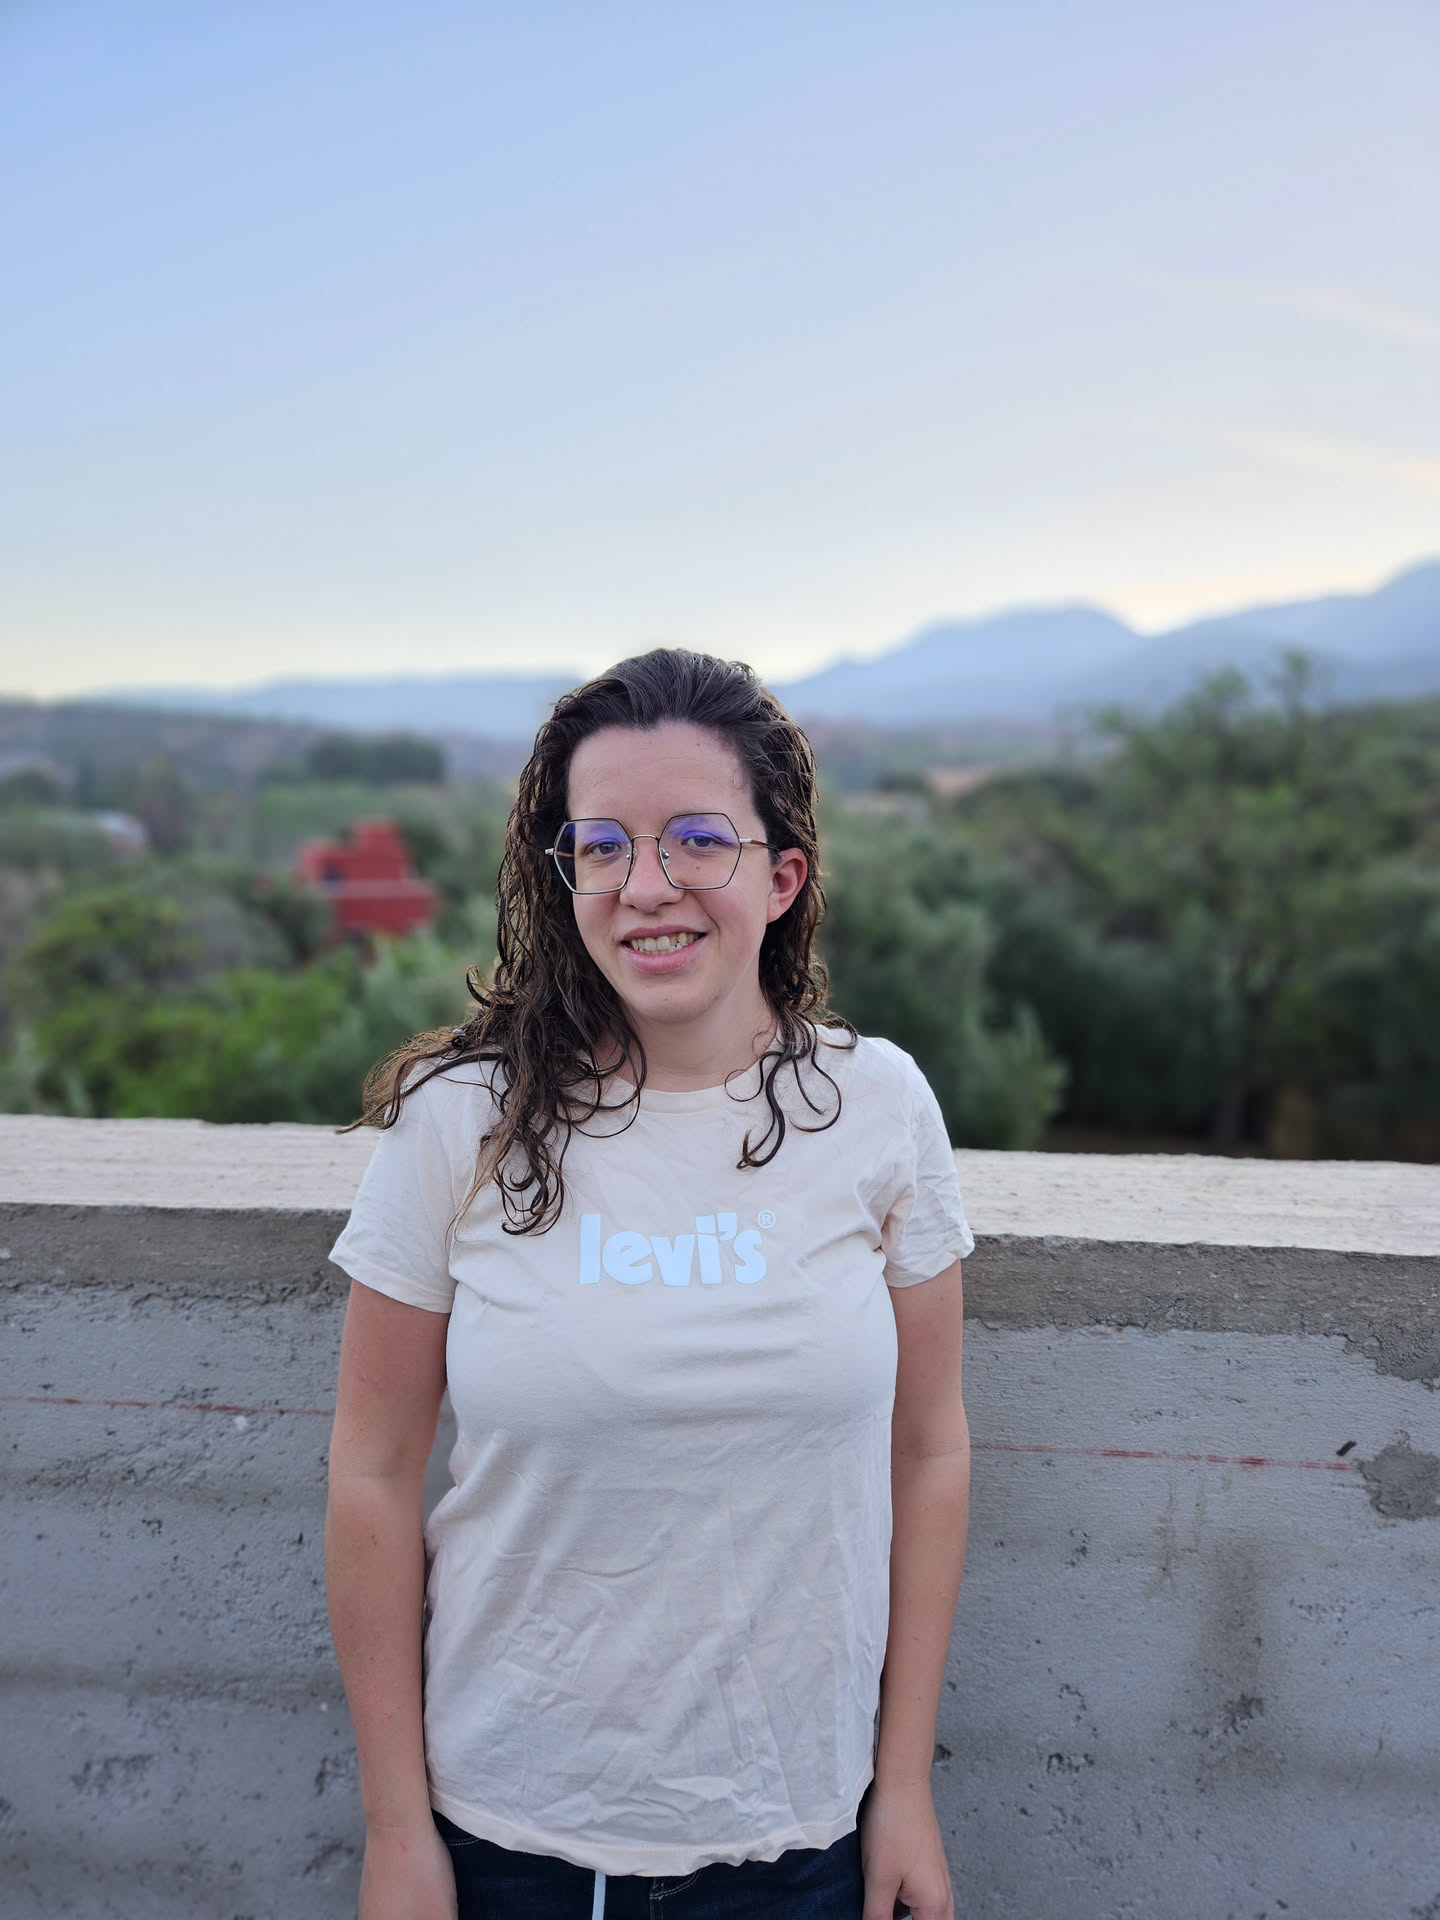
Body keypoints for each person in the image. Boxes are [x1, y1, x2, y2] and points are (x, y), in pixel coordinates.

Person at [325, 648, 973, 1920]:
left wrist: (903, 1786)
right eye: (604, 846)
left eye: (697, 841)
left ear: (782, 877)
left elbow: (930, 1451)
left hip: (802, 1838)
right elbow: (373, 1472)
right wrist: (397, 1831)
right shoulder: (463, 1122)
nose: (646, 886)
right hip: (513, 1844)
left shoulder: (880, 1107)